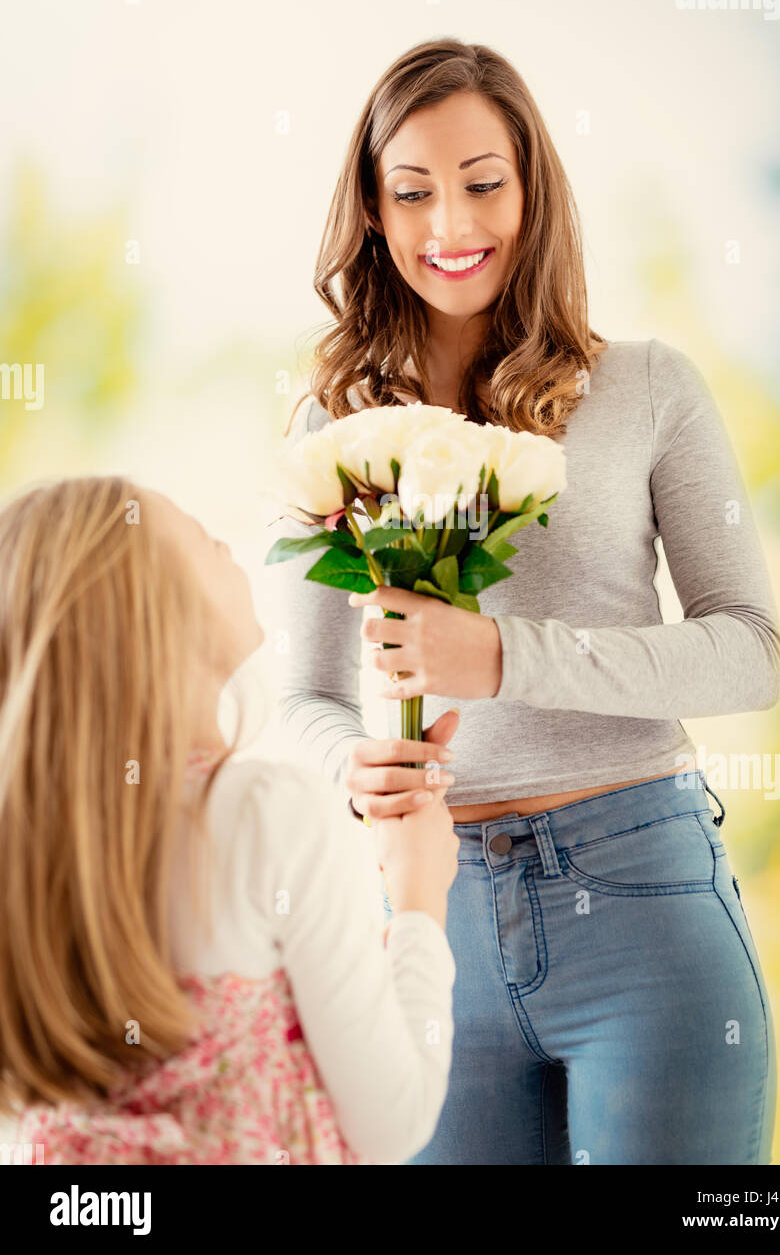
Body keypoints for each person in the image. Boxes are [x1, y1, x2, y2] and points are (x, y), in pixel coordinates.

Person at [275, 37, 780, 1165]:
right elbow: (300, 699)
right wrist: (350, 770)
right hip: (431, 919)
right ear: (371, 209)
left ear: (533, 187)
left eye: (482, 182)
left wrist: (502, 655)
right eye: (411, 192)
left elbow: (751, 652)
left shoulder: (647, 386)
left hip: (646, 902)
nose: (449, 226)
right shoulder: (334, 426)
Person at [0, 476, 459, 1165]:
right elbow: (393, 1124)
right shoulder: (266, 812)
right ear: (152, 611)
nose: (227, 546)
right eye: (204, 540)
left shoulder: (32, 847)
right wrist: (419, 896)